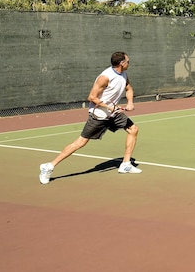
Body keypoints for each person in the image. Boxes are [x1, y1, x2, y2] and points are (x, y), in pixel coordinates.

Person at [39, 52, 141, 184]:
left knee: (133, 129)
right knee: (80, 142)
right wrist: (110, 107)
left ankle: (126, 164)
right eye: (128, 61)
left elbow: (128, 88)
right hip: (99, 115)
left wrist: (130, 103)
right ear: (121, 63)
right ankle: (49, 167)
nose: (129, 63)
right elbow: (92, 97)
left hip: (113, 114)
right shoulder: (105, 77)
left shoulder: (123, 74)